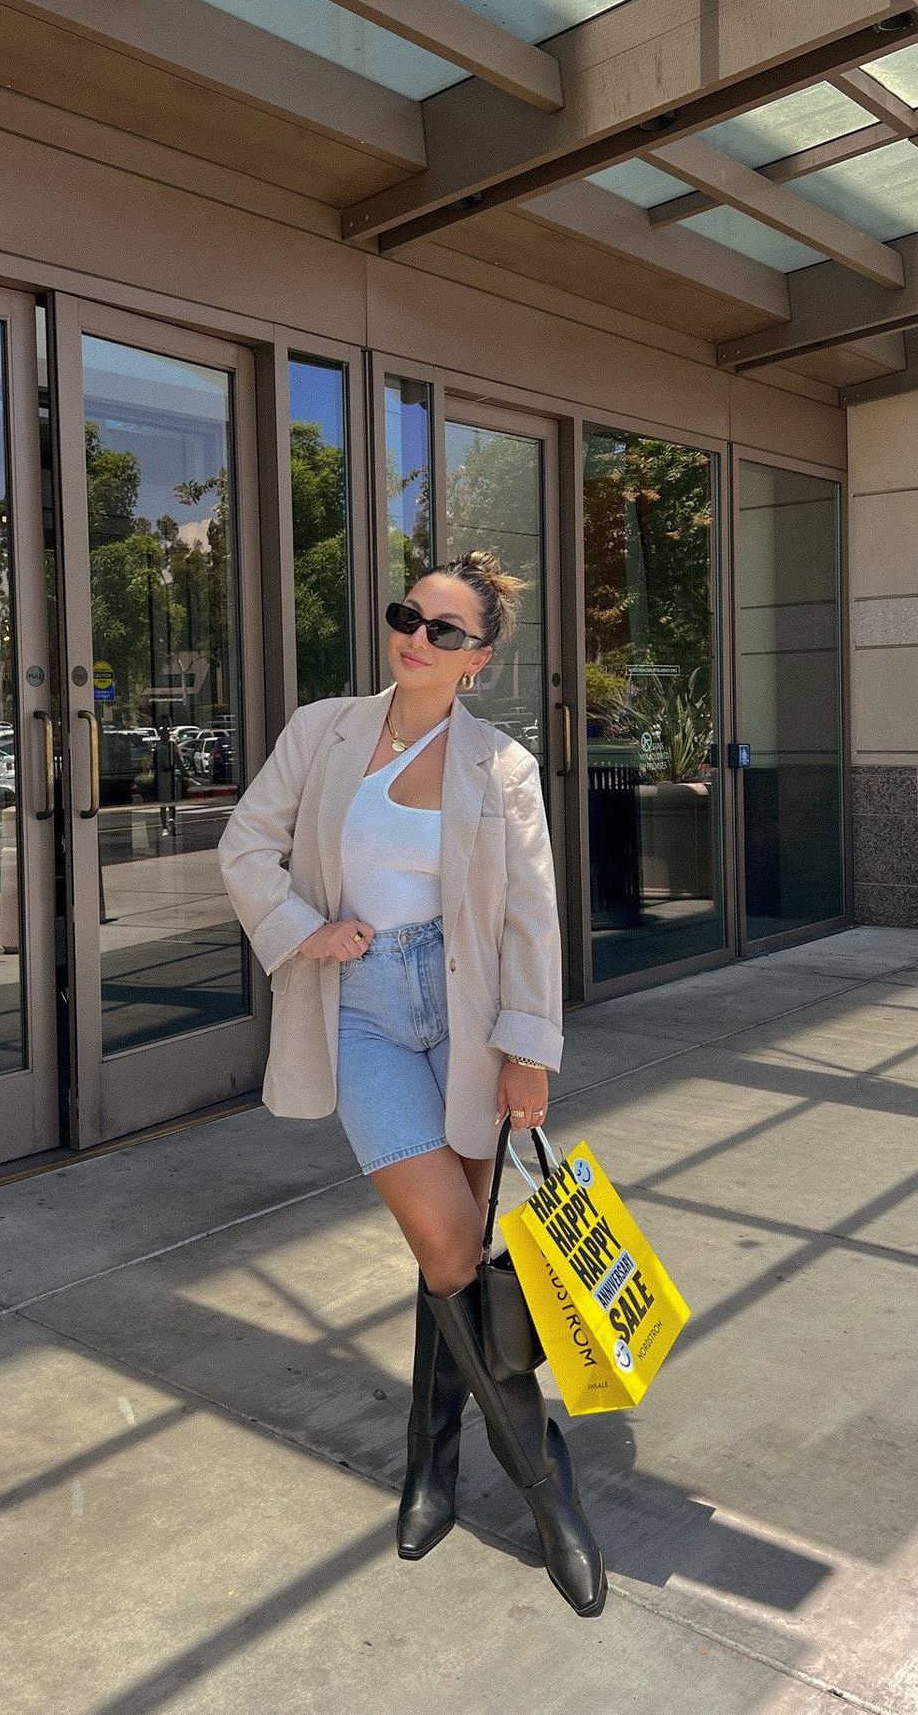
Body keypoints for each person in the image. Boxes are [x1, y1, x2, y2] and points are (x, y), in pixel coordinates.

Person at [216, 549, 605, 1616]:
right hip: (365, 1011)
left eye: (444, 631)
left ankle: (432, 1463)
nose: (416, 640)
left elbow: (529, 916)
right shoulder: (324, 731)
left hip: (468, 1013)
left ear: (477, 658)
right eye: (407, 617)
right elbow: (246, 845)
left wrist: (527, 1052)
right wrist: (302, 930)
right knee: (446, 1243)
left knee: (460, 1258)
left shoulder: (502, 766)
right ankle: (550, 1490)